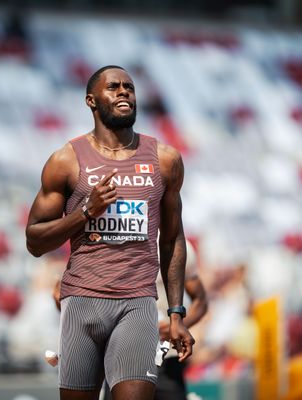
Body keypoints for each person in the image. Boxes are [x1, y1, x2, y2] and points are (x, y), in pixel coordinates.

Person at [25, 65, 194, 400]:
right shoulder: (66, 161)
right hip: (82, 302)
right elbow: (34, 241)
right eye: (113, 87)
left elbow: (172, 238)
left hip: (137, 303)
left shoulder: (164, 160)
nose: (123, 92)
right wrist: (85, 212)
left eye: (129, 87)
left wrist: (176, 313)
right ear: (91, 101)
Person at [155, 240, 207, 400]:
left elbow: (201, 301)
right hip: (125, 355)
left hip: (166, 356)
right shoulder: (118, 236)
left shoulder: (179, 245)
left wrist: (177, 326)